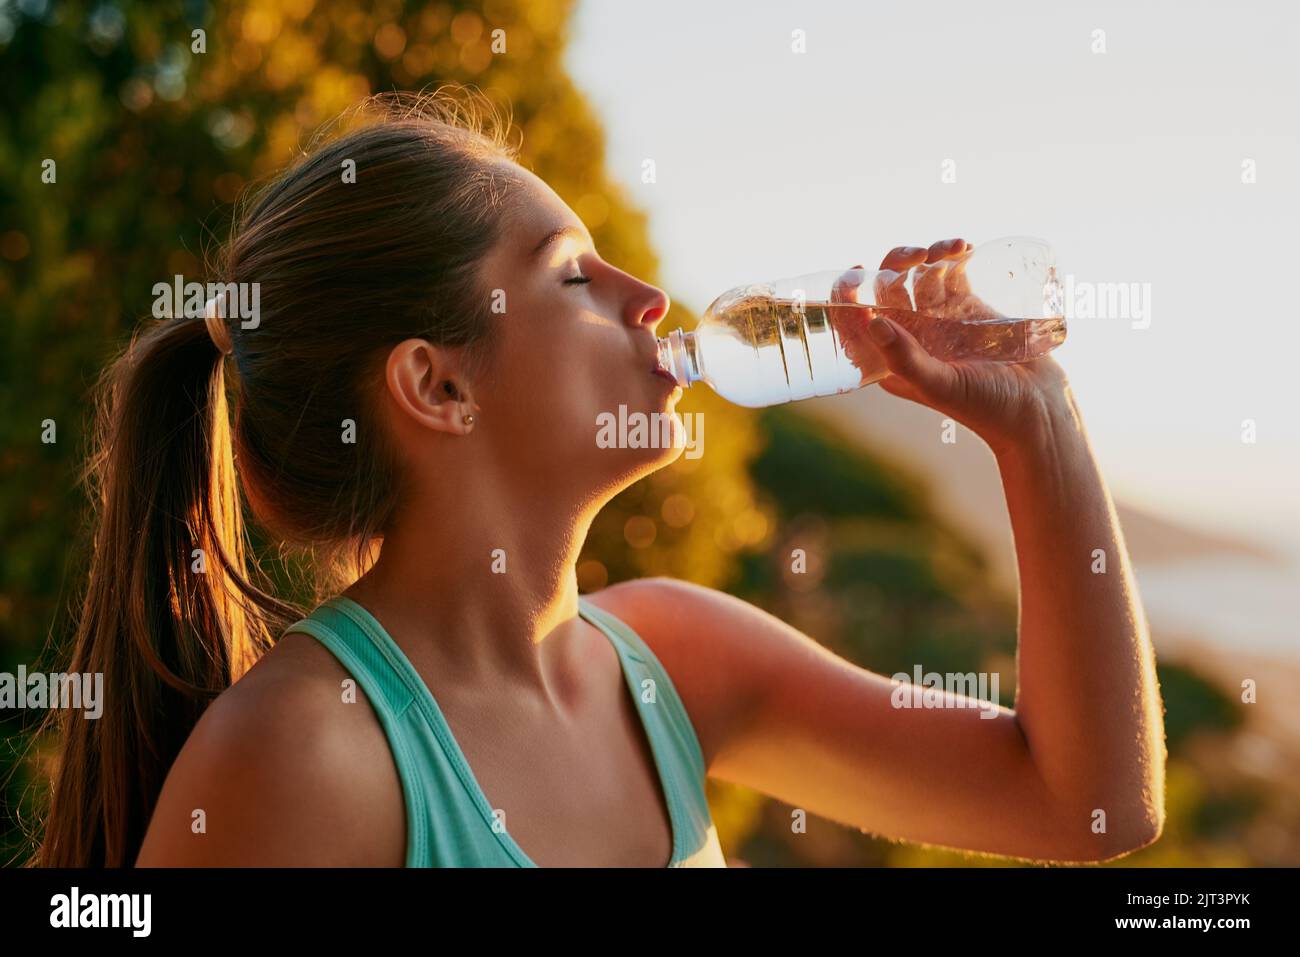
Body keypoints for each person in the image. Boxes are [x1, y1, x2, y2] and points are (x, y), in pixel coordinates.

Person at [37, 88, 1165, 867]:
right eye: (572, 274)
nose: (649, 298)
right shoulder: (303, 756)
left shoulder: (674, 660)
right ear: (436, 386)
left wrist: (1038, 425)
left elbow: (1090, 804)